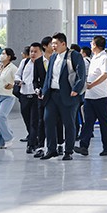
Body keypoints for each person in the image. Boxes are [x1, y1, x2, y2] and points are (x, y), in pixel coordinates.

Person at [40, 33, 86, 161]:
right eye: (52, 44)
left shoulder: (74, 56)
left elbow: (81, 74)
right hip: (52, 95)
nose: (53, 46)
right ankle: (51, 149)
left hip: (68, 96)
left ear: (63, 44)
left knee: (69, 123)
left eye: (55, 44)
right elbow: (49, 76)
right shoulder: (53, 57)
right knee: (48, 120)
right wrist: (44, 91)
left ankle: (68, 151)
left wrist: (76, 89)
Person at [74, 35, 107, 156]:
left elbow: (105, 75)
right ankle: (84, 147)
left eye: (92, 43)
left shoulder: (105, 58)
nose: (90, 44)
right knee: (88, 122)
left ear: (95, 45)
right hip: (89, 96)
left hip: (101, 95)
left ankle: (106, 147)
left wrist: (92, 85)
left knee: (103, 122)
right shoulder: (94, 58)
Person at [33, 36, 64, 158]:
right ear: (45, 46)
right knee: (42, 120)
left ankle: (60, 144)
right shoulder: (39, 62)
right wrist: (37, 89)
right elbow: (35, 80)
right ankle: (41, 146)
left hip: (56, 94)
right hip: (43, 95)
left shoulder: (57, 59)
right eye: (52, 44)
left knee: (59, 120)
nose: (54, 46)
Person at [15, 42, 43, 154]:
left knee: (34, 121)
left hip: (36, 97)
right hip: (24, 95)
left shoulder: (43, 64)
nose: (33, 54)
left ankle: (31, 145)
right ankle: (33, 138)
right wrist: (19, 80)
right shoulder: (25, 62)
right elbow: (17, 74)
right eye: (31, 51)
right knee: (27, 120)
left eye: (35, 51)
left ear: (41, 52)